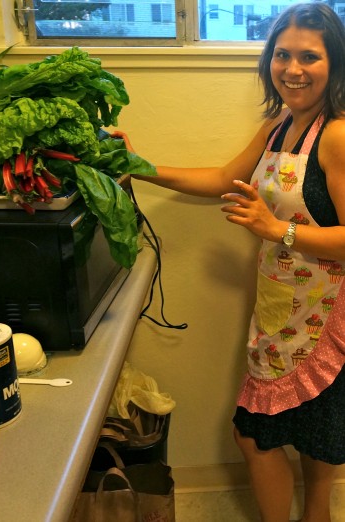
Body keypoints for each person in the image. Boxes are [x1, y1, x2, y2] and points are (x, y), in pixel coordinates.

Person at [114, 3, 345, 521]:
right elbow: (222, 179)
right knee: (308, 434)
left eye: (310, 56)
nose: (292, 69)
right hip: (282, 311)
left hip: (326, 317)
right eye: (282, 55)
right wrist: (136, 166)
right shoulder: (280, 125)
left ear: (337, 65)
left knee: (263, 436)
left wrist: (276, 229)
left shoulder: (337, 136)